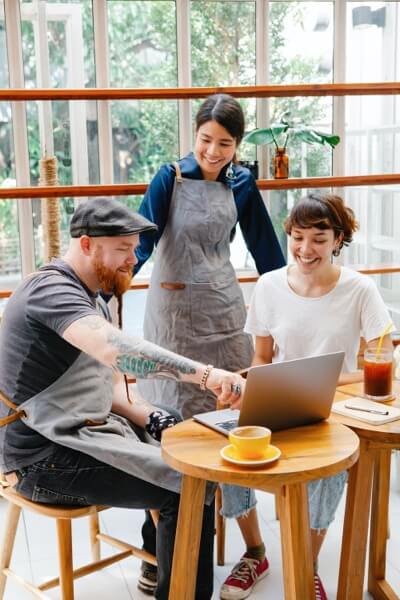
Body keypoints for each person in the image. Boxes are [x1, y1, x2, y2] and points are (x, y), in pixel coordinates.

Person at [0, 196, 246, 600]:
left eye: (134, 249)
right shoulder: (51, 291)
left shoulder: (91, 292)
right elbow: (117, 351)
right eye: (123, 249)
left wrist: (151, 417)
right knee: (190, 483)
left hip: (72, 430)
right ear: (86, 244)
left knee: (168, 417)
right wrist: (206, 375)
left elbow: (109, 383)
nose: (133, 259)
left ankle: (158, 564)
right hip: (39, 460)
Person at [134, 93, 285, 593]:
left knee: (231, 425)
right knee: (167, 428)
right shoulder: (169, 177)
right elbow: (141, 242)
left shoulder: (242, 183)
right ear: (194, 134)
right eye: (205, 140)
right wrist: (104, 289)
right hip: (173, 322)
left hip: (222, 315)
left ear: (237, 145)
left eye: (224, 144)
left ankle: (249, 546)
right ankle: (157, 545)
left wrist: (288, 305)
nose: (213, 152)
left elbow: (267, 252)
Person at [219, 193, 393, 600]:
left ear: (338, 240)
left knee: (330, 471)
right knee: (227, 445)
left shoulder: (360, 289)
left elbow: (383, 358)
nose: (305, 249)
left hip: (333, 411)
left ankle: (306, 563)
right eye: (298, 237)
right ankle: (255, 553)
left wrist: (331, 382)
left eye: (318, 238)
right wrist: (251, 389)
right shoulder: (269, 285)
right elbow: (261, 358)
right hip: (276, 405)